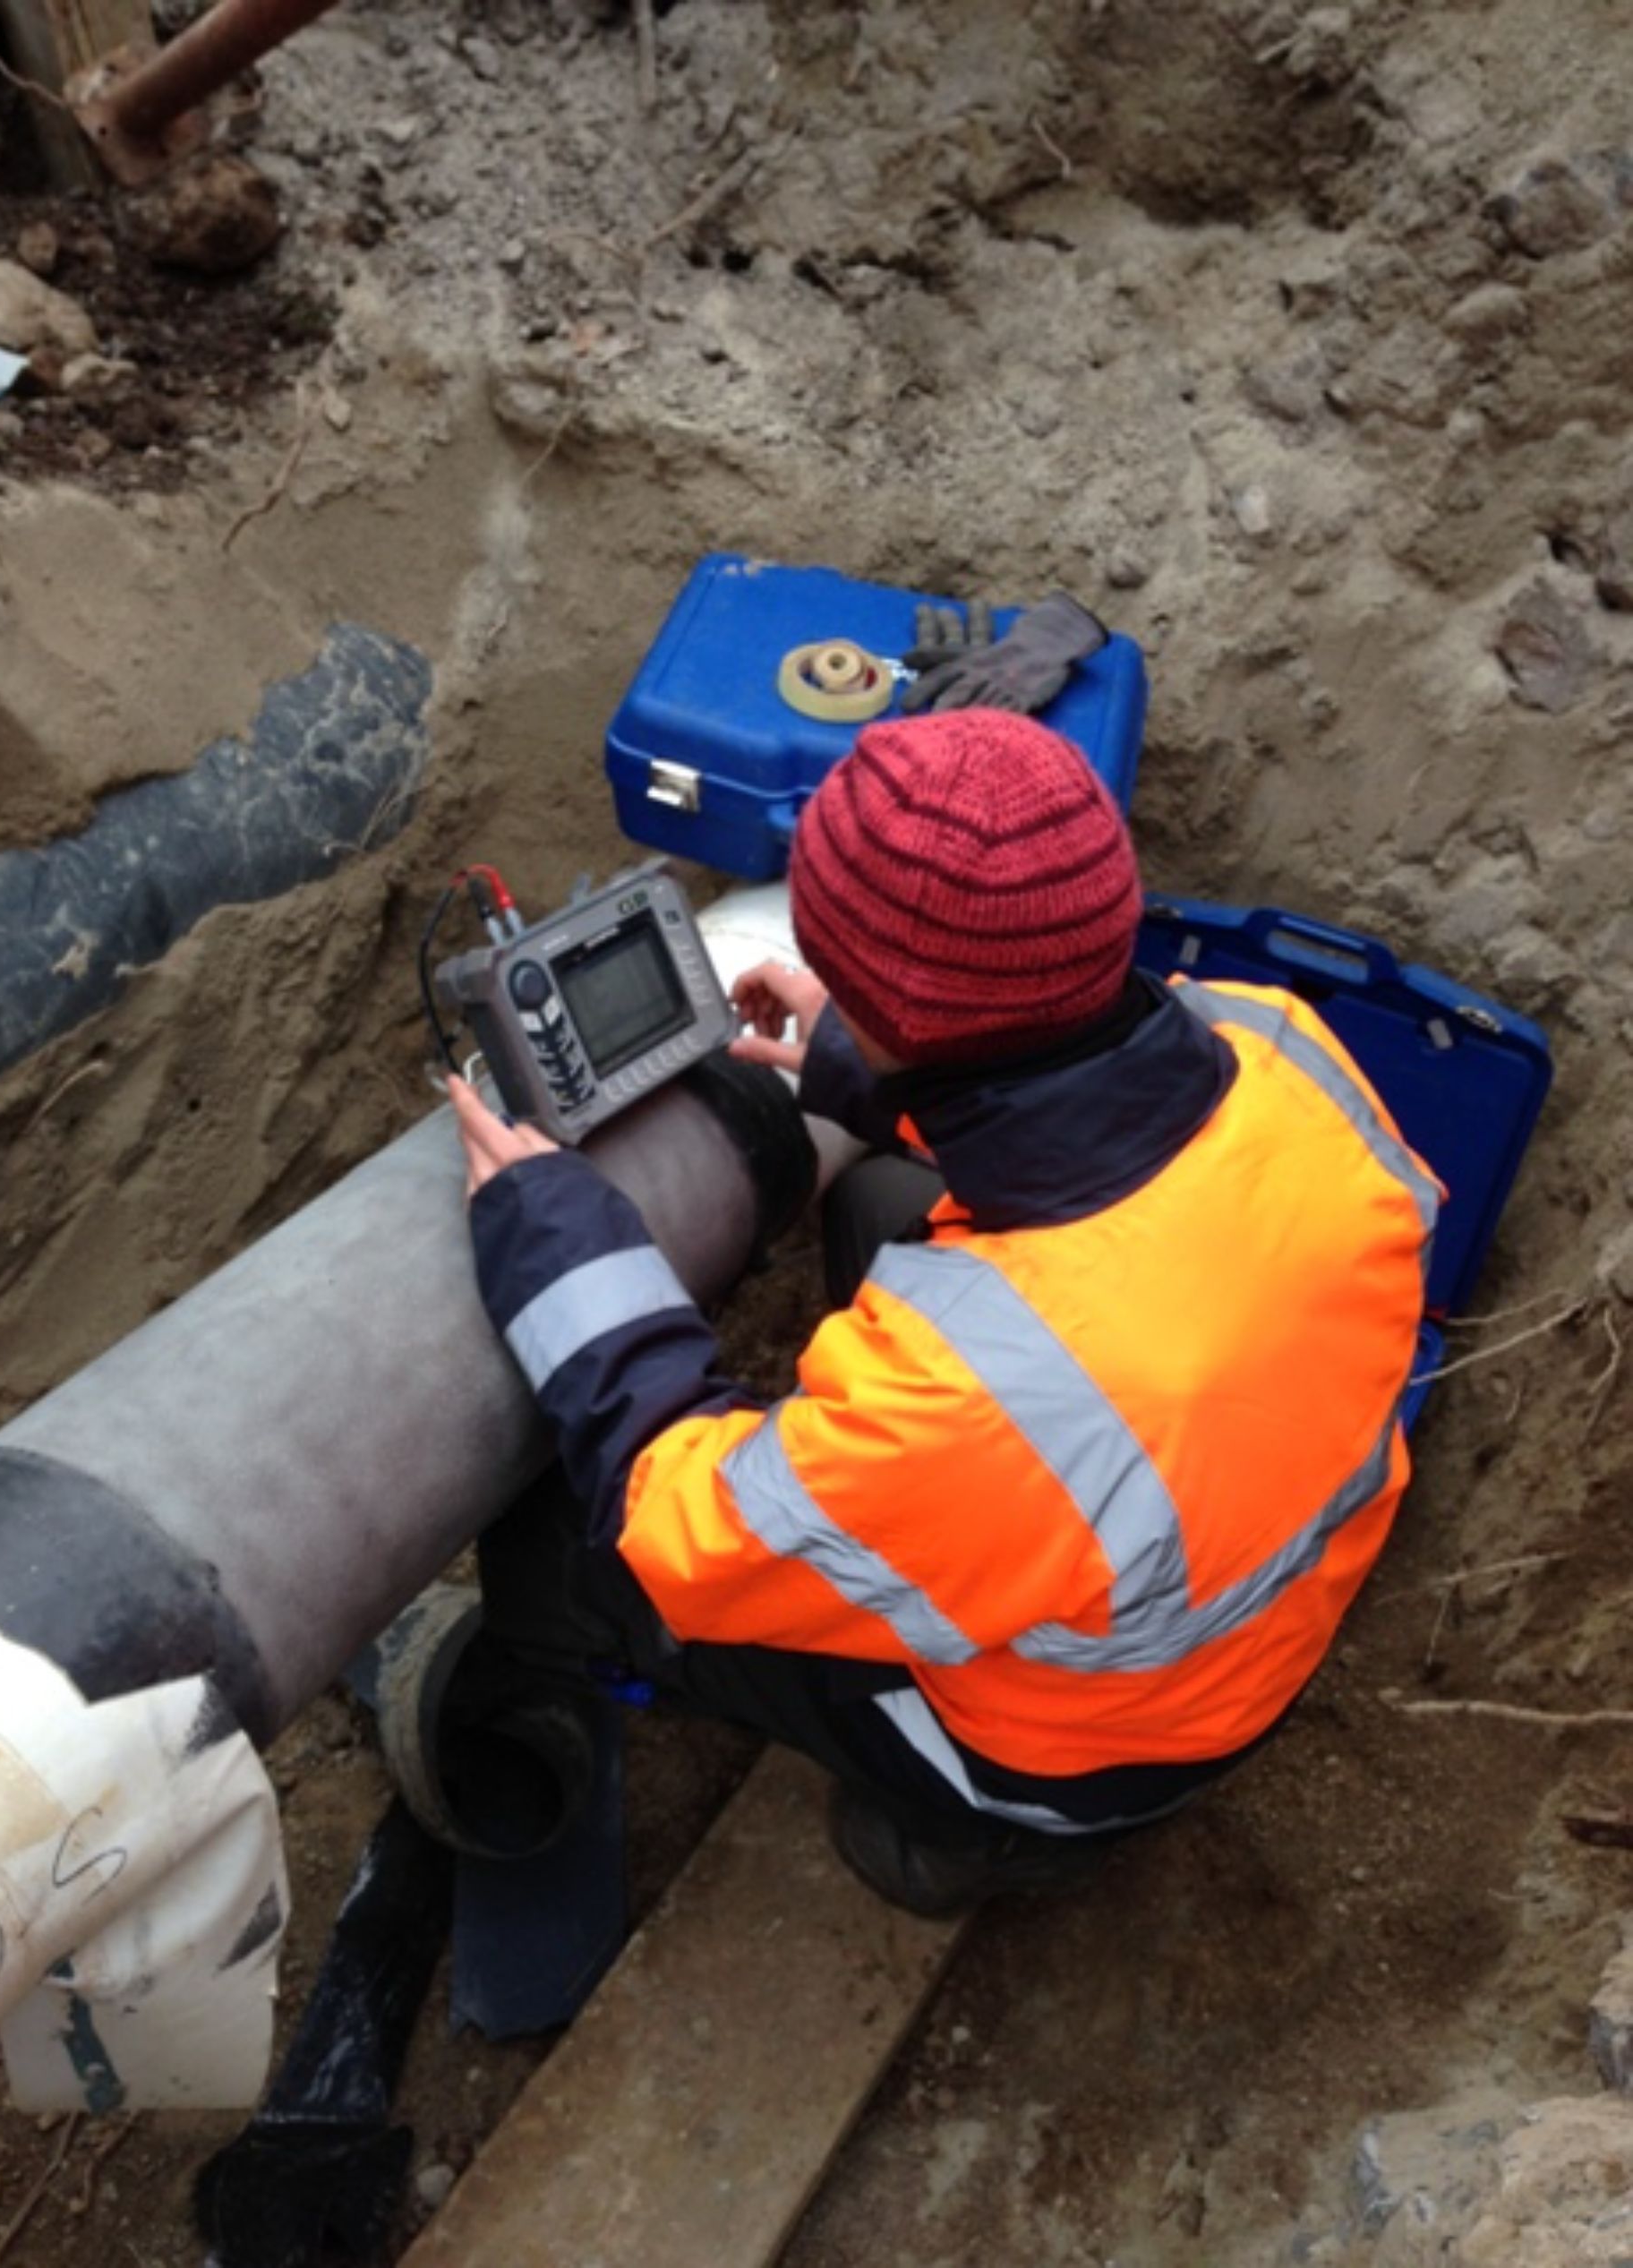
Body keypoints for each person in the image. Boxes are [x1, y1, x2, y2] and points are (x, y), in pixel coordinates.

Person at [449, 708, 1440, 1916]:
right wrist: (867, 1063)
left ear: (899, 1011)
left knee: (585, 1566)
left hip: (1095, 1754)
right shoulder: (1283, 1046)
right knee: (881, 1204)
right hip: (1260, 1594)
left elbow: (679, 1526)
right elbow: (1091, 1101)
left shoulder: (978, 1394)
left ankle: (971, 1843)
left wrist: (571, 1253)